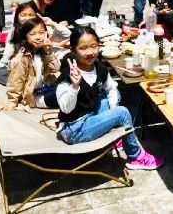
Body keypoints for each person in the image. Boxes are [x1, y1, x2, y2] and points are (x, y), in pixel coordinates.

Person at [56, 27, 165, 170]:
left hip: (90, 117)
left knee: (112, 98)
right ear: (73, 49)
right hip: (74, 129)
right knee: (123, 112)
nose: (90, 52)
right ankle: (136, 156)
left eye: (94, 46)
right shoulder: (67, 75)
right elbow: (66, 108)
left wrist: (113, 114)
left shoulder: (99, 68)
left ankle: (116, 134)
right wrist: (74, 86)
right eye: (83, 48)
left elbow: (111, 87)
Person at [0, 17, 60, 110]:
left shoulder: (43, 51)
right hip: (32, 97)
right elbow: (16, 81)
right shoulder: (22, 58)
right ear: (25, 37)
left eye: (41, 33)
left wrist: (48, 52)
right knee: (60, 97)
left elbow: (56, 68)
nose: (38, 37)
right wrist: (12, 102)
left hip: (45, 89)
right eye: (32, 34)